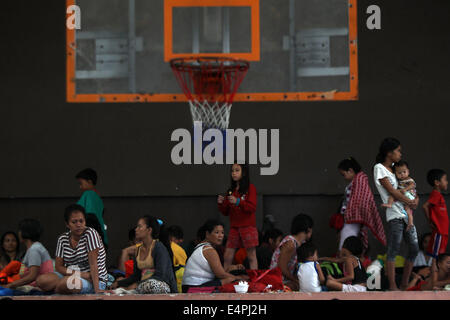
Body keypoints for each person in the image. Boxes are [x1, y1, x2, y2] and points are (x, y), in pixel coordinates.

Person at [373, 137, 419, 291]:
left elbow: (409, 184)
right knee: (394, 249)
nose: (400, 153)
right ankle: (393, 285)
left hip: (407, 213)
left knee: (414, 248)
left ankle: (404, 283)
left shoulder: (397, 167)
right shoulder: (379, 168)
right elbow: (391, 191)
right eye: (398, 150)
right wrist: (409, 200)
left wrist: (415, 199)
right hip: (394, 215)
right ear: (389, 152)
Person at [36, 204, 108, 294]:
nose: (78, 225)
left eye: (81, 221)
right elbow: (59, 267)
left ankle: (57, 289)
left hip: (94, 279)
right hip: (73, 275)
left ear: (85, 222)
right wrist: (79, 274)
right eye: (74, 222)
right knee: (41, 280)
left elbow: (93, 264)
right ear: (67, 224)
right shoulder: (62, 239)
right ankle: (61, 287)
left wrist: (97, 290)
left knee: (68, 283)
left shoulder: (90, 234)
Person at [111, 216, 177, 294]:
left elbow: (160, 276)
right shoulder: (138, 250)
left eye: (140, 227)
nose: (136, 229)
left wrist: (137, 284)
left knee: (152, 284)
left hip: (161, 286)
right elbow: (136, 276)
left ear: (149, 230)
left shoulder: (158, 247)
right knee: (118, 290)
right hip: (142, 287)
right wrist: (118, 283)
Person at [182, 220, 248, 293]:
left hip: (188, 287)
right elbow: (220, 274)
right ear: (207, 234)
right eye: (217, 232)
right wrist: (238, 278)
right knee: (230, 280)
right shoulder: (209, 250)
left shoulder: (202, 247)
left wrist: (230, 269)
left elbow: (218, 273)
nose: (220, 236)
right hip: (193, 288)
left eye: (222, 232)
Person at [337, 157, 386, 252]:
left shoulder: (360, 181)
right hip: (350, 218)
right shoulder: (357, 181)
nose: (343, 178)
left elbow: (361, 201)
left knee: (345, 247)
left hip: (353, 220)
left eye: (343, 174)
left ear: (350, 170)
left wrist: (349, 213)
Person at [218, 162, 258, 270]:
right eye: (232, 171)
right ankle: (225, 278)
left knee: (251, 256)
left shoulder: (250, 188)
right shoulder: (231, 190)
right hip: (234, 227)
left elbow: (252, 207)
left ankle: (254, 279)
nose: (234, 173)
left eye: (237, 170)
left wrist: (238, 202)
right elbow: (225, 212)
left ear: (243, 173)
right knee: (227, 255)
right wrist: (221, 203)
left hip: (248, 226)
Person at [2, 219, 53, 289]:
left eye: (20, 230)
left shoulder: (34, 249)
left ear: (25, 232)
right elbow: (23, 272)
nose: (18, 233)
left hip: (37, 287)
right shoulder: (31, 249)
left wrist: (11, 285)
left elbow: (32, 276)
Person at [270, 214, 313, 291]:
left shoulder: (299, 244)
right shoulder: (290, 244)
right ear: (308, 230)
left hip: (285, 278)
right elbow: (281, 268)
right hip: (278, 280)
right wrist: (295, 280)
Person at [423, 169, 448, 274]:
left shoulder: (439, 195)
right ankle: (434, 282)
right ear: (437, 183)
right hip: (439, 232)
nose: (447, 182)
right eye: (445, 180)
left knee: (439, 256)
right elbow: (425, 206)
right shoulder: (436, 194)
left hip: (443, 232)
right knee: (435, 258)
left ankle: (437, 280)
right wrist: (430, 221)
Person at [76, 168, 108, 248]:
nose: (80, 187)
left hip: (91, 240)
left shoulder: (89, 194)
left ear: (89, 182)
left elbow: (90, 218)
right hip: (100, 237)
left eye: (81, 183)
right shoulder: (98, 198)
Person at [381, 161, 416, 231]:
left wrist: (406, 189)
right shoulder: (398, 181)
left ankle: (389, 204)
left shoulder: (408, 179)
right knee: (408, 210)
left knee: (393, 194)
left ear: (408, 171)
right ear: (395, 173)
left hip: (409, 194)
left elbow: (413, 185)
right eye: (399, 173)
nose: (402, 174)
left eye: (404, 172)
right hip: (406, 196)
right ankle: (410, 223)